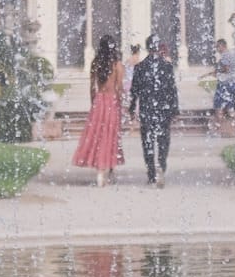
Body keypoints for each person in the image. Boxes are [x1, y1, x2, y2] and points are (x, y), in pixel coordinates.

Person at [127, 34, 180, 185]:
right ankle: (161, 166)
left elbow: (134, 91)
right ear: (157, 47)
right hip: (164, 109)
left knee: (147, 141)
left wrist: (132, 108)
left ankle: (151, 173)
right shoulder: (167, 66)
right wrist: (175, 109)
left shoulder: (140, 67)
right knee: (163, 139)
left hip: (146, 109)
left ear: (147, 47)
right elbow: (172, 90)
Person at [72, 35, 125, 186]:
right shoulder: (117, 65)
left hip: (99, 101)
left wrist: (93, 103)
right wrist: (122, 104)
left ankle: (101, 170)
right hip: (112, 101)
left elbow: (92, 87)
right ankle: (107, 168)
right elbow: (119, 88)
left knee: (99, 135)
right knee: (110, 135)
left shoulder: (96, 63)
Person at [209, 36, 235, 135]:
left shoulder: (225, 55)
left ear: (222, 46)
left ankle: (215, 131)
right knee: (230, 109)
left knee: (218, 107)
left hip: (224, 84)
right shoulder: (232, 54)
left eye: (217, 47)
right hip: (232, 83)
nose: (217, 49)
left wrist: (216, 72)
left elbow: (226, 69)